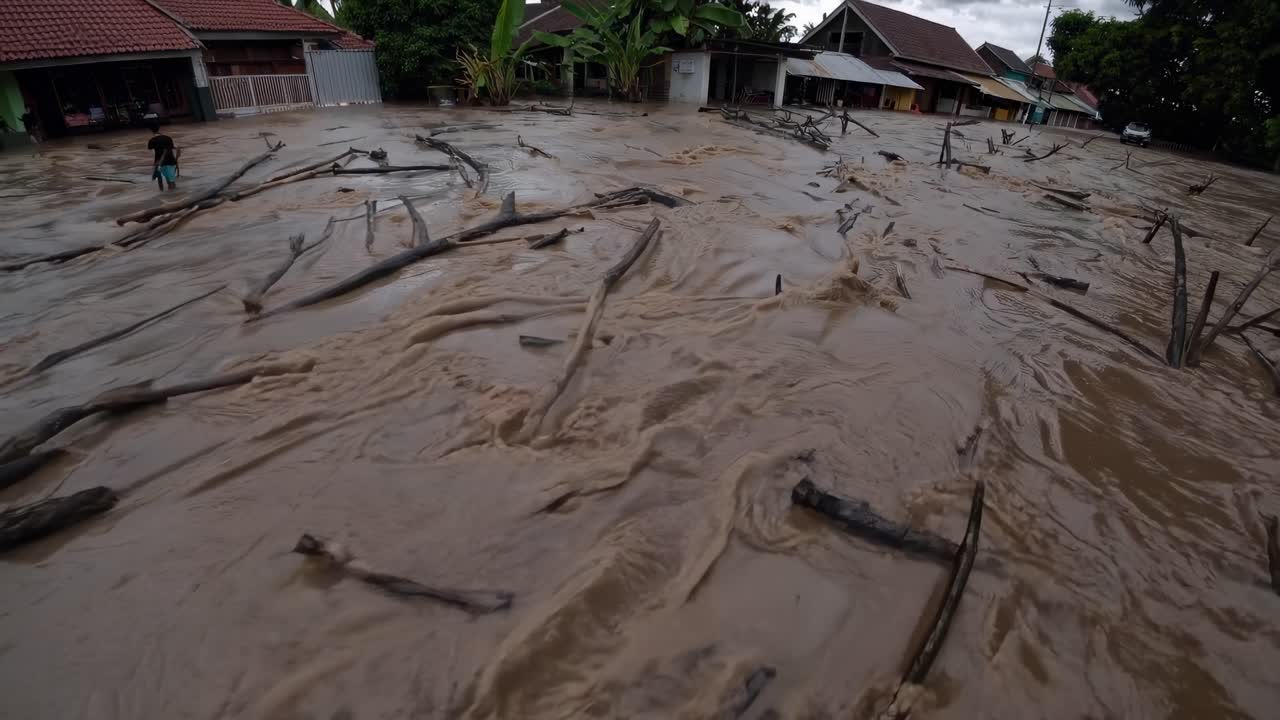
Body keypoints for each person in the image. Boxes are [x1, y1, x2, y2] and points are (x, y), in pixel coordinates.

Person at [147, 122, 179, 191]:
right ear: (159, 128)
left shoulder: (152, 140)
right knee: (171, 181)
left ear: (151, 130)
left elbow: (151, 150)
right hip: (170, 161)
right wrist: (176, 159)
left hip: (159, 162)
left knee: (161, 179)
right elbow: (173, 148)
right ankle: (174, 195)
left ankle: (162, 192)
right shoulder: (168, 138)